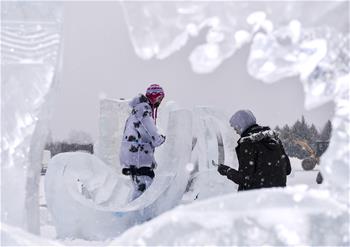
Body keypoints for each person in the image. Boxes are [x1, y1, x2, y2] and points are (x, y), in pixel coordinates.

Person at [217, 110, 291, 191]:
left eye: (236, 127)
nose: (236, 131)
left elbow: (246, 179)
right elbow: (287, 169)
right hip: (277, 196)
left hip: (256, 198)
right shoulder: (274, 139)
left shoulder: (248, 143)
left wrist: (227, 171)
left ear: (242, 125)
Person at [119, 84, 166, 200]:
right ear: (154, 96)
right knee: (145, 189)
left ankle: (130, 214)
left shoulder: (138, 109)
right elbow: (149, 130)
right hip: (139, 157)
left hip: (133, 156)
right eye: (159, 98)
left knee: (139, 188)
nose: (160, 102)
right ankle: (134, 215)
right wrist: (160, 139)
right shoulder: (143, 110)